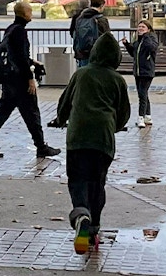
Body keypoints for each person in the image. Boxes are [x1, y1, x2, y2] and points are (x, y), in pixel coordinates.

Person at [48, 31, 130, 254]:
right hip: (103, 140)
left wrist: (61, 119)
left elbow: (64, 103)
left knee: (77, 181)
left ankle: (81, 217)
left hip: (78, 138)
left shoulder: (81, 74)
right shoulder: (118, 80)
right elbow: (124, 113)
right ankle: (93, 230)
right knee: (97, 184)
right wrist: (114, 125)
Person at [0, 1, 61, 160]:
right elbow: (20, 58)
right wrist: (30, 78)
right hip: (19, 80)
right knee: (32, 113)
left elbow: (15, 55)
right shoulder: (20, 32)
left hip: (9, 80)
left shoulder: (11, 29)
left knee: (3, 112)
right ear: (24, 14)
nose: (31, 13)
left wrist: (32, 62)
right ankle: (41, 147)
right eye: (30, 11)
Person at [122, 20, 158, 128]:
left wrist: (145, 36)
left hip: (147, 71)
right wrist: (127, 44)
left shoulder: (151, 39)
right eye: (139, 27)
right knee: (143, 94)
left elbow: (151, 48)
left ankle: (140, 117)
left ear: (148, 29)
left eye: (143, 27)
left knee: (142, 95)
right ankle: (148, 116)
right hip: (138, 72)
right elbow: (134, 53)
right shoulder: (138, 41)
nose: (140, 29)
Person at [71, 0, 111, 68]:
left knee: (83, 76)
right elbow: (107, 38)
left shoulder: (80, 18)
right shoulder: (101, 19)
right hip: (97, 55)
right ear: (101, 6)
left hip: (82, 54)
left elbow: (74, 34)